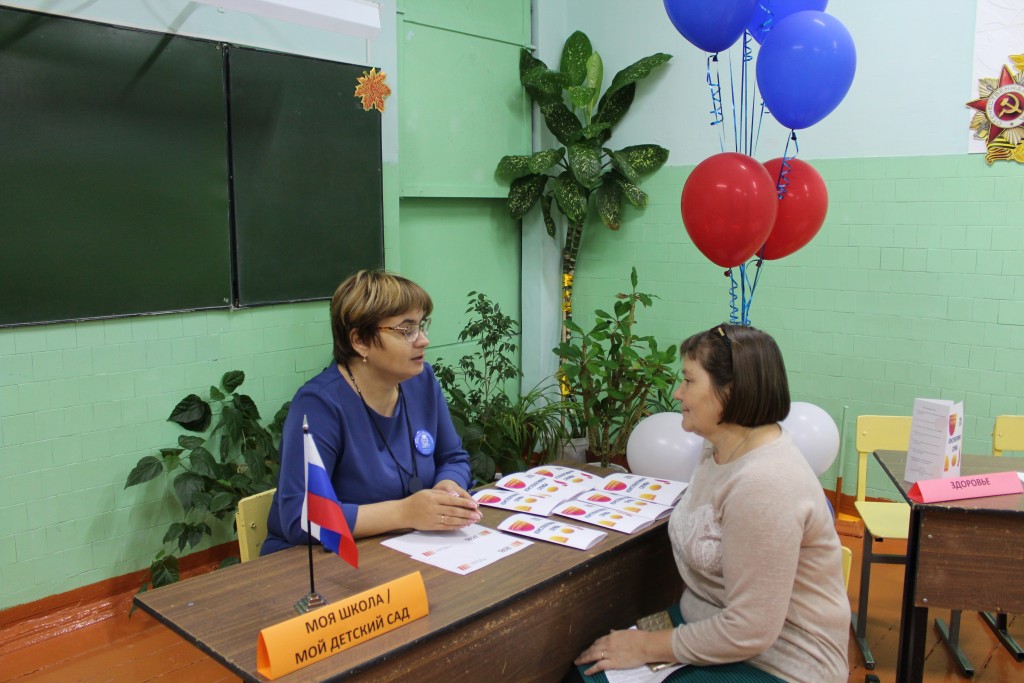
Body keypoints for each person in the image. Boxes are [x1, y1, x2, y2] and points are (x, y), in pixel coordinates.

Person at [574, 324, 849, 682]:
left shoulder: (765, 482)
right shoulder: (719, 445)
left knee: (591, 677)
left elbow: (749, 630)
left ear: (730, 392)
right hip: (708, 623)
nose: (677, 393)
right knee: (585, 668)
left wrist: (646, 646)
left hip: (779, 663)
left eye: (689, 381)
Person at [261, 270, 480, 555]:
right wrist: (405, 513)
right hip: (311, 562)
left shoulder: (421, 380)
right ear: (360, 341)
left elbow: (452, 458)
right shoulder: (319, 405)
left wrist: (447, 488)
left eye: (421, 325)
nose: (423, 340)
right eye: (407, 330)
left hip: (404, 548)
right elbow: (301, 516)